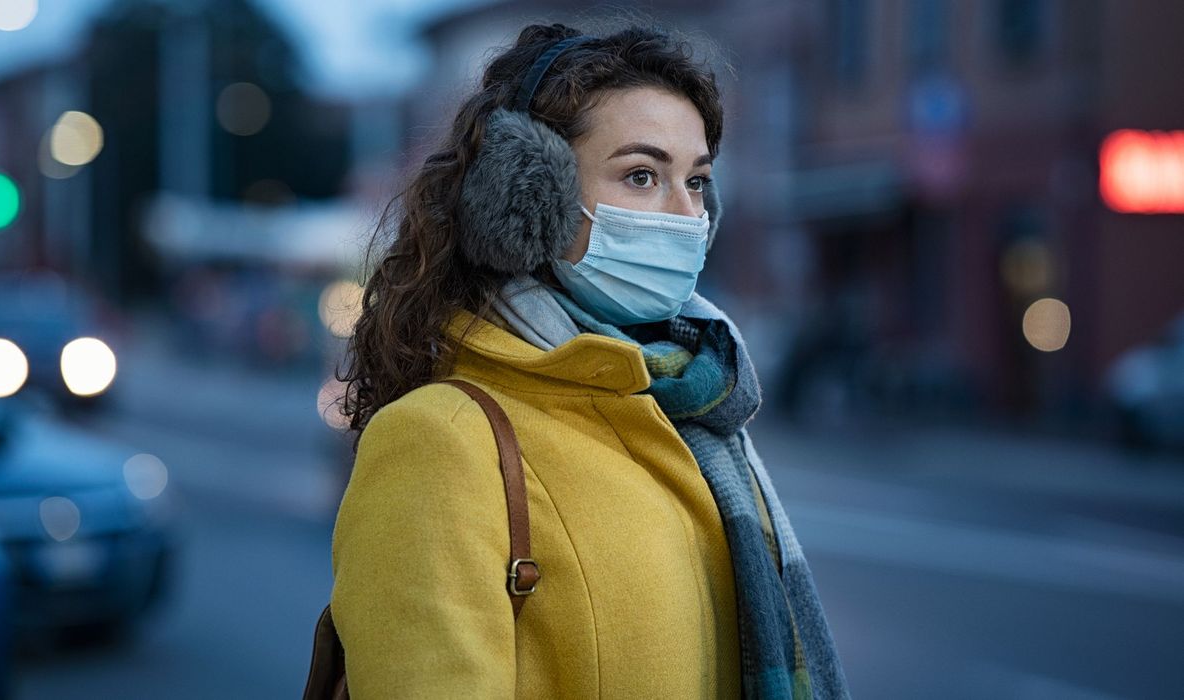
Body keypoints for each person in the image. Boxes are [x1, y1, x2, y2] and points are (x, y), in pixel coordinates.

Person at [331, 21, 850, 699]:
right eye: (641, 175)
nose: (683, 215)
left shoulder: (696, 412)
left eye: (696, 183)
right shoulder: (440, 442)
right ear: (530, 199)